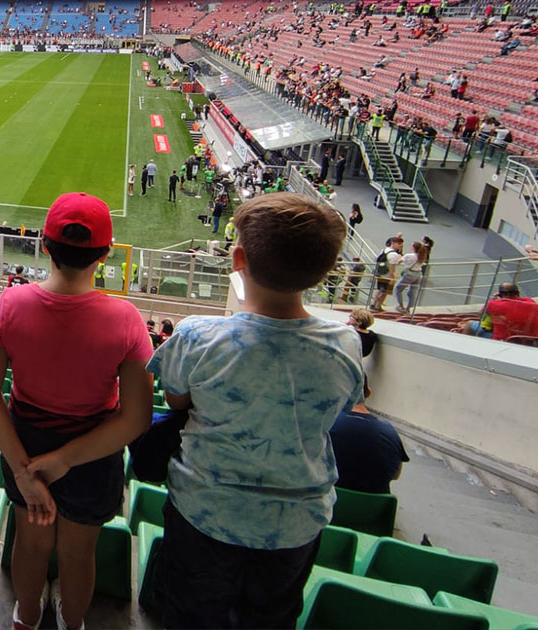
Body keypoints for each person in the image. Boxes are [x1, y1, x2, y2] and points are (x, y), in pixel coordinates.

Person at [146, 193, 363, 628]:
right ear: (324, 270)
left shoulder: (197, 335)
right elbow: (341, 405)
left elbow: (174, 399)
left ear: (238, 259)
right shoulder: (344, 344)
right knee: (270, 619)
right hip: (296, 523)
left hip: (205, 511)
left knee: (190, 615)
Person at [0, 192, 154, 630]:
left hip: (25, 446)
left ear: (45, 245)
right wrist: (67, 460)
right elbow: (136, 418)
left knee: (31, 546)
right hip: (94, 455)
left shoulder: (10, 305)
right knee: (78, 554)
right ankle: (73, 622)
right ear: (105, 254)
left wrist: (24, 471)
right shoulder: (127, 320)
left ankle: (27, 617)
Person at [330, 385, 409, 494]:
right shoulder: (390, 431)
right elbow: (396, 475)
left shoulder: (326, 425)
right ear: (368, 392)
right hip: (373, 509)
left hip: (331, 506)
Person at [394, 241, 429, 312]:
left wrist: (400, 256)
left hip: (410, 274)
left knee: (398, 289)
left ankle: (400, 306)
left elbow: (398, 261)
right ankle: (409, 308)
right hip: (418, 274)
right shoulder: (422, 256)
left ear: (413, 248)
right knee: (412, 292)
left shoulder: (409, 255)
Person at [371, 236, 404, 312]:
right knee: (384, 292)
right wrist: (393, 278)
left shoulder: (384, 250)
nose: (400, 247)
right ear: (393, 243)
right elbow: (393, 268)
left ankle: (373, 304)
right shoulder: (394, 255)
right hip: (387, 275)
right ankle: (378, 306)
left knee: (379, 289)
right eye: (399, 244)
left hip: (380, 273)